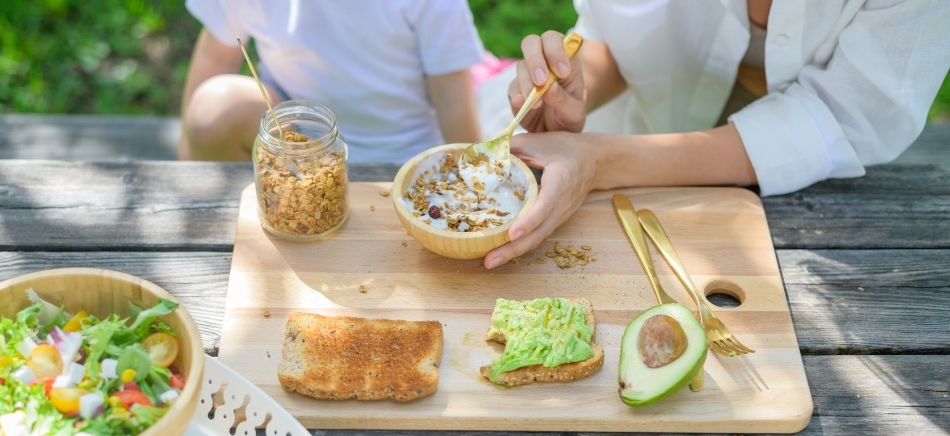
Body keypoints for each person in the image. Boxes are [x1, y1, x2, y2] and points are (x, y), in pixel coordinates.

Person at [483, 0, 950, 270]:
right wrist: (574, 87)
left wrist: (601, 160)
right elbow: (623, 34)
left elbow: (843, 113)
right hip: (645, 125)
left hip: (821, 211)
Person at [178, 0, 486, 163]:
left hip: (404, 158)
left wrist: (473, 175)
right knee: (213, 106)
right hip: (297, 149)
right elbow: (216, 55)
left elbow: (453, 102)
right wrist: (188, 159)